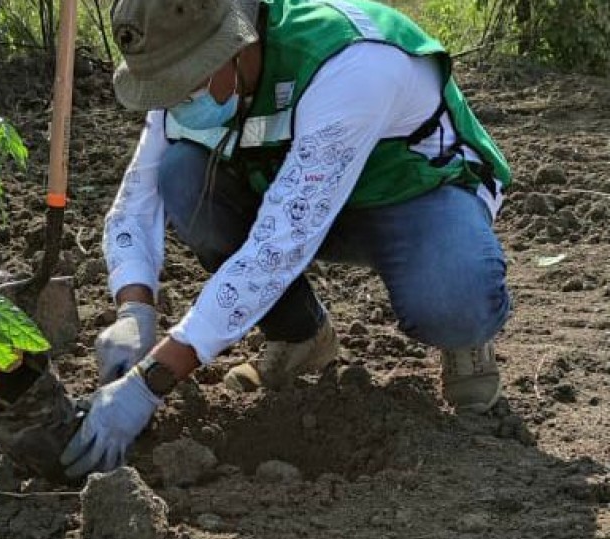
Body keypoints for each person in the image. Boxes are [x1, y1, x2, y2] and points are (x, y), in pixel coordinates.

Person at [59, 0, 512, 480]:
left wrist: (149, 383)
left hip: (413, 196)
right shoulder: (187, 73)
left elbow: (277, 247)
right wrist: (135, 311)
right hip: (292, 198)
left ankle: (466, 338)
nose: (172, 103)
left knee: (452, 295)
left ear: (230, 49)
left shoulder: (349, 63)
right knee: (182, 175)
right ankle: (301, 336)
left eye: (182, 86)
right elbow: (137, 199)